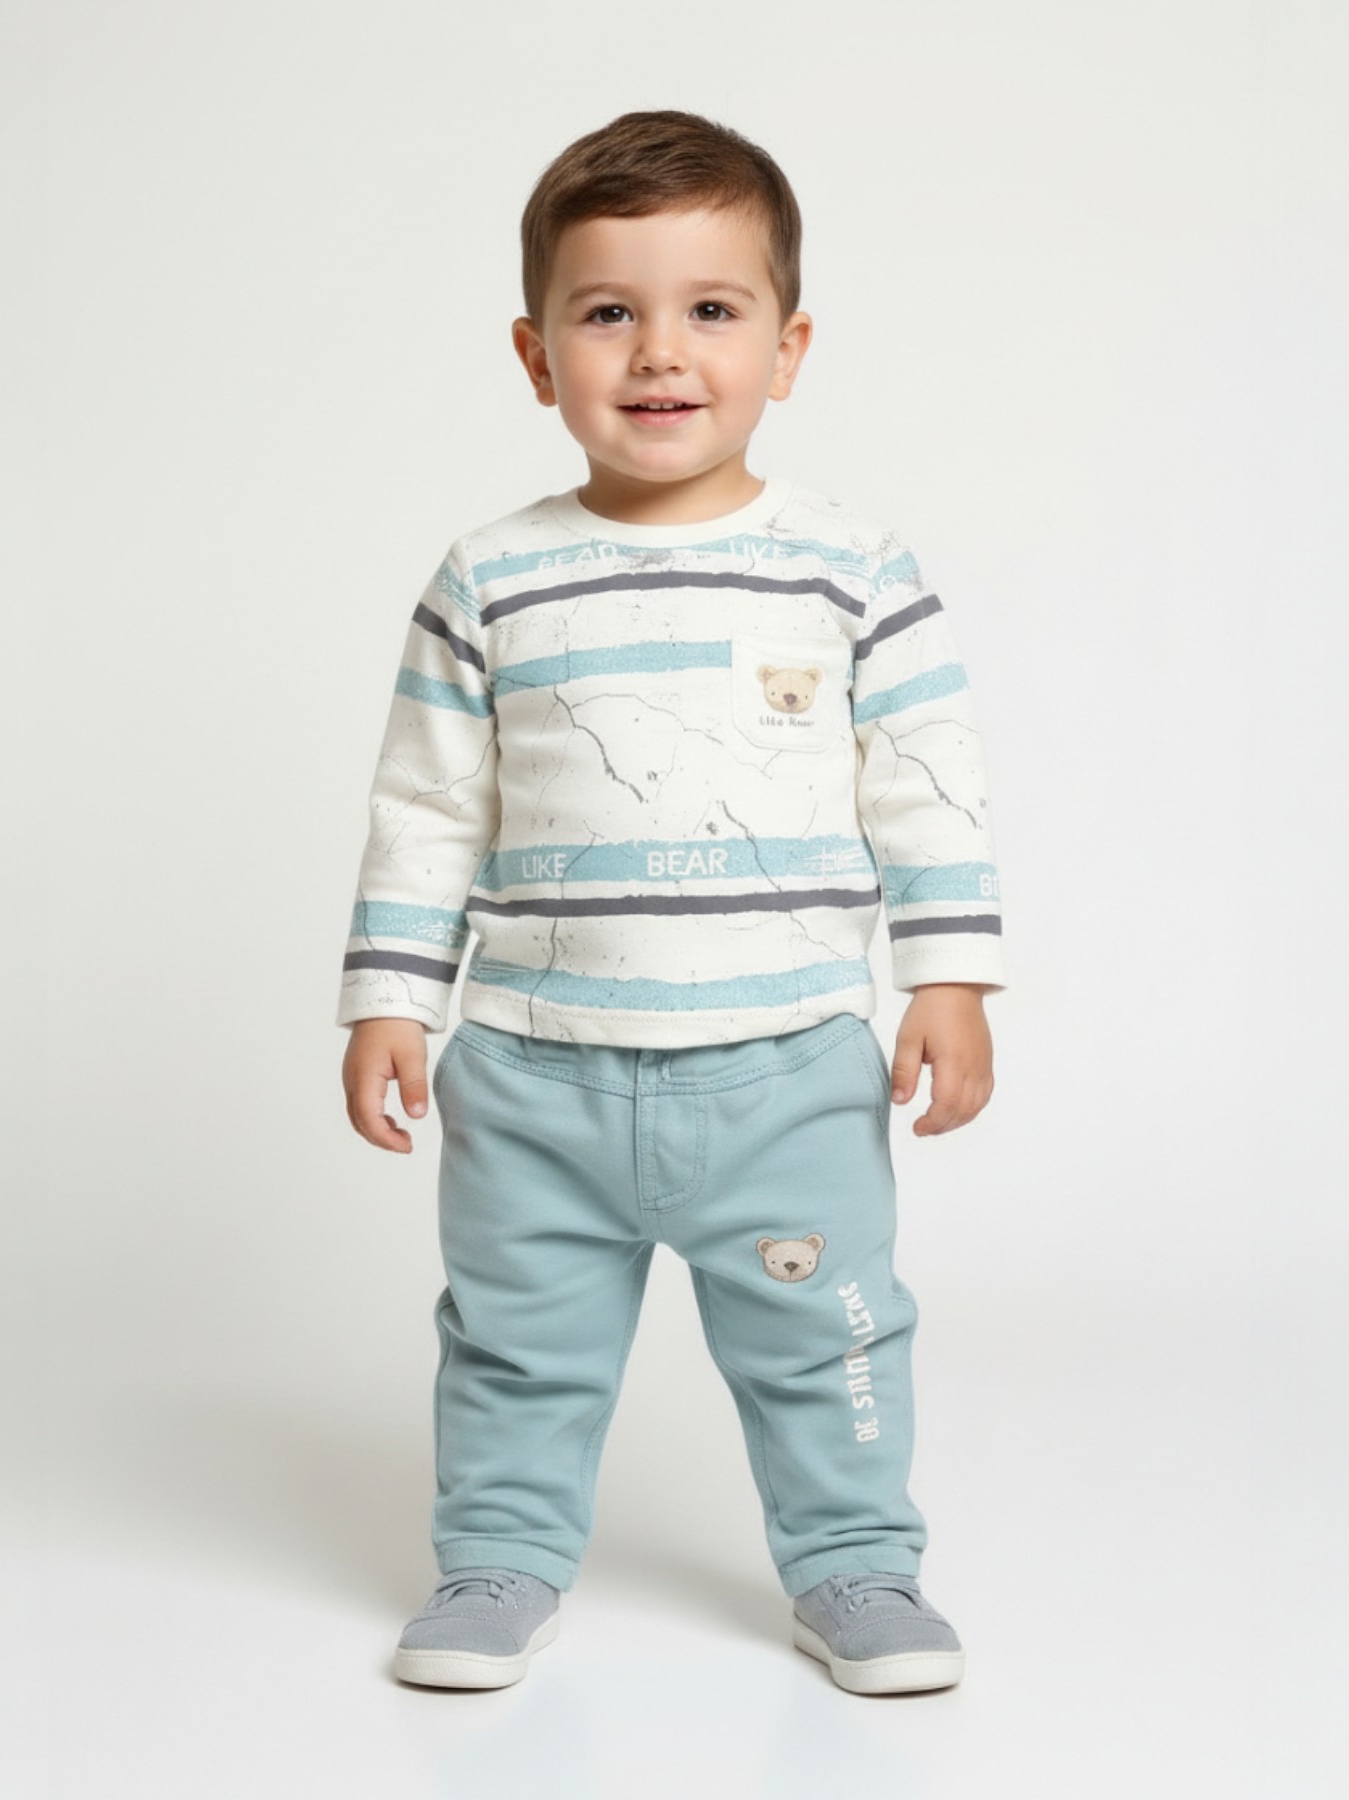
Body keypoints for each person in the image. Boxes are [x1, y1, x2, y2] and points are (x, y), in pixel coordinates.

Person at [337, 109, 1006, 1696]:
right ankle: (498, 1561)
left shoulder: (850, 565)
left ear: (788, 347)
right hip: (534, 1073)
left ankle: (856, 1567)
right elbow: (428, 807)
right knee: (515, 1342)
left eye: (712, 308)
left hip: (787, 1069)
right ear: (536, 353)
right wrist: (389, 1000)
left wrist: (951, 978)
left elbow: (927, 781)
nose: (659, 352)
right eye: (606, 311)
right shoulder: (490, 576)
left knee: (833, 1338)